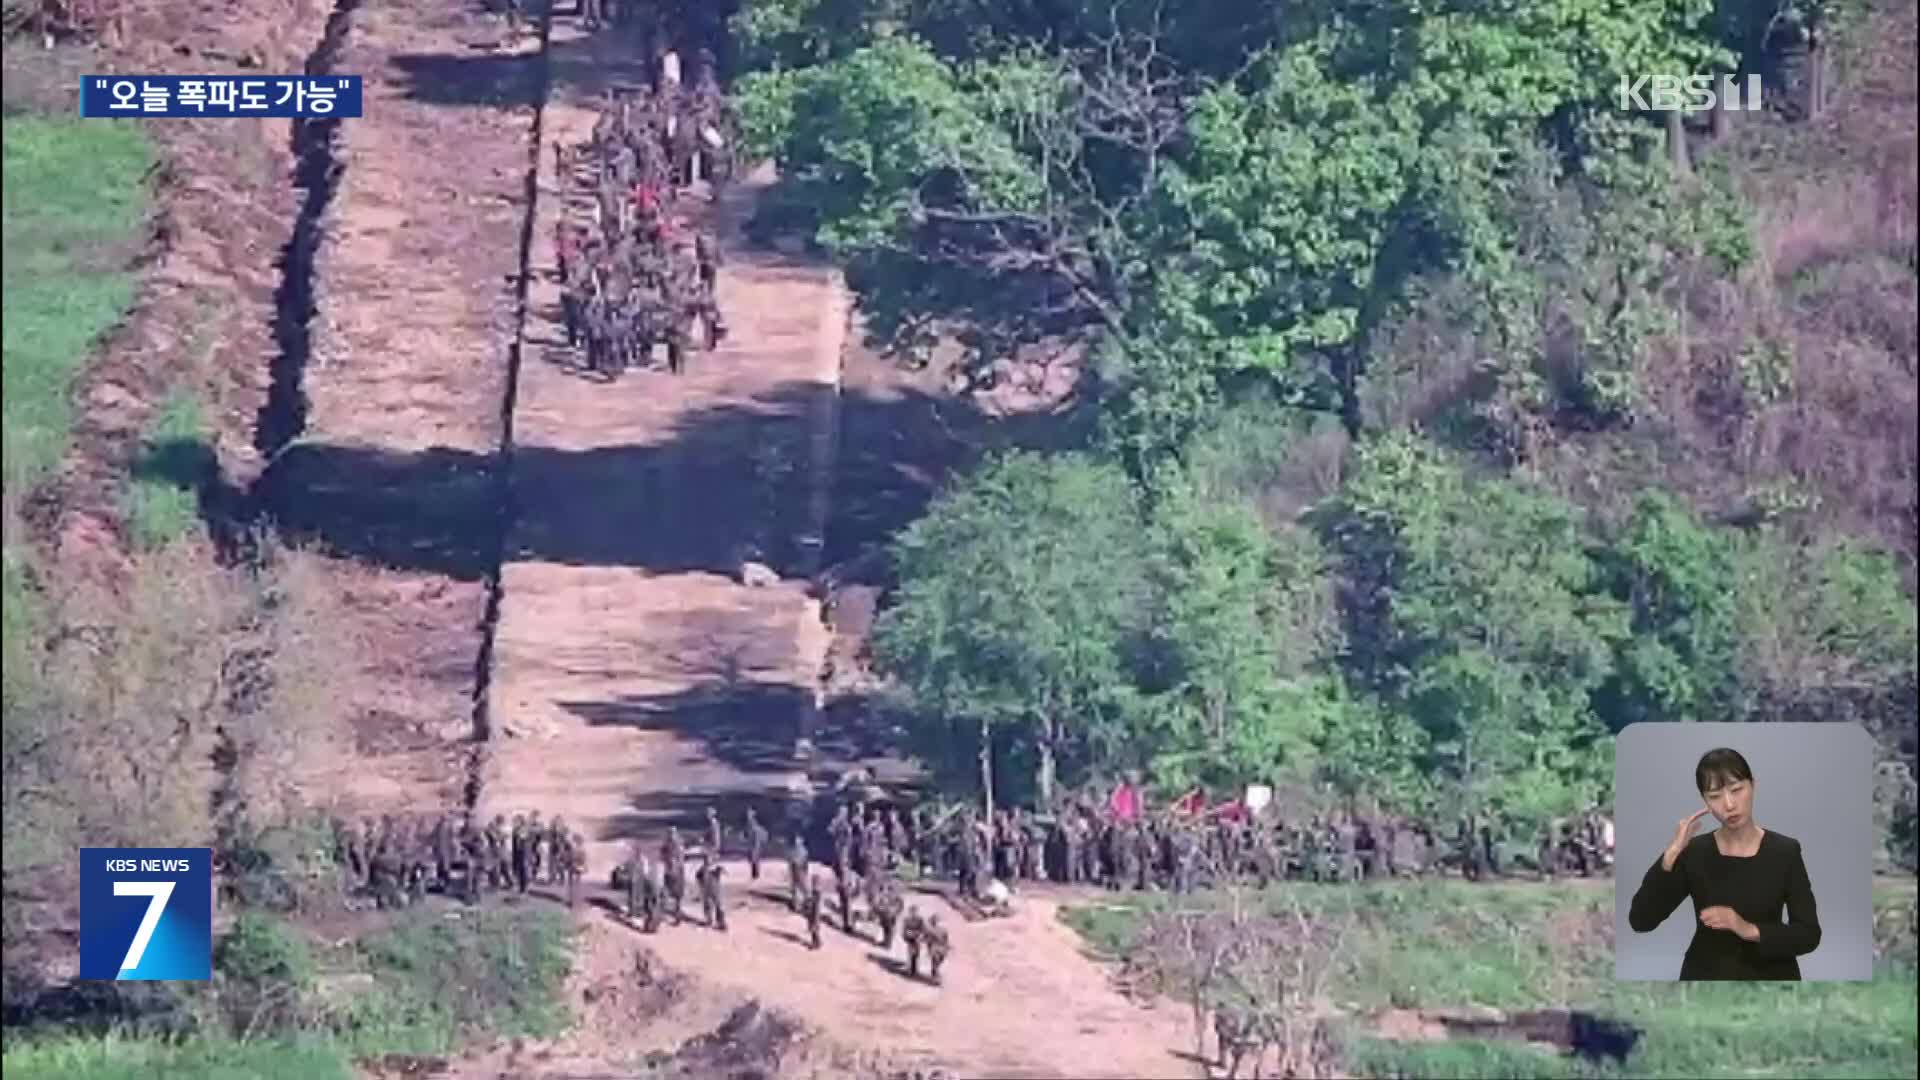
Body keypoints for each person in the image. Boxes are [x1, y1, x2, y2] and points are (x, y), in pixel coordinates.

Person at [1627, 747, 1822, 980]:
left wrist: (1747, 929)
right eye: (1715, 796)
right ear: (1705, 802)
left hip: (1772, 979)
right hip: (1706, 978)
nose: (1729, 805)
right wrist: (1671, 853)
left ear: (1753, 786)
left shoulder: (1785, 851)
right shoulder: (1695, 853)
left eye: (1737, 790)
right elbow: (1641, 921)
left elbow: (1809, 934)